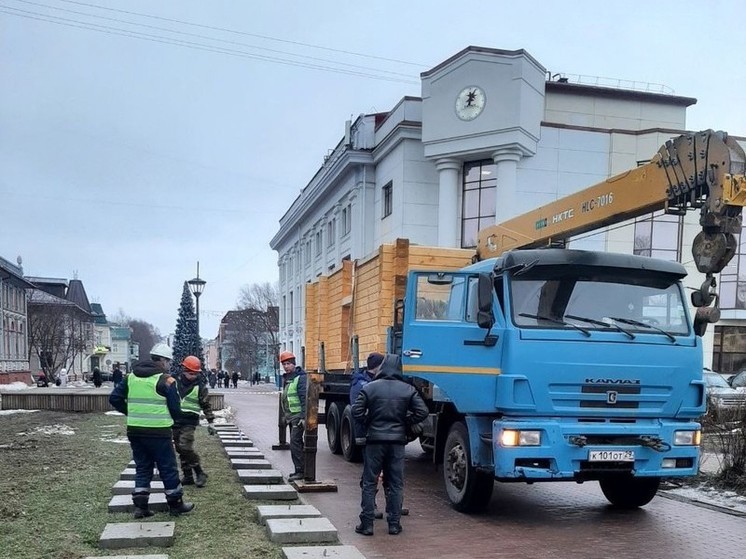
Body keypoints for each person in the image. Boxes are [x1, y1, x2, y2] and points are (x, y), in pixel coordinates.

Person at [109, 343, 194, 518]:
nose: (169, 364)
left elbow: (115, 398)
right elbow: (175, 408)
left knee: (142, 467)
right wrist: (179, 420)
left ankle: (140, 507)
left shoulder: (131, 378)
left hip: (135, 431)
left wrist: (130, 411)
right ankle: (175, 504)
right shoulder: (166, 381)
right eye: (168, 361)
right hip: (159, 432)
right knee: (167, 467)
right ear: (162, 360)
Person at [352, 353, 428, 536]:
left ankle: (367, 524)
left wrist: (368, 421)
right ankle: (394, 524)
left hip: (374, 442)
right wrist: (406, 421)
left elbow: (356, 411)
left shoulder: (370, 388)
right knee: (396, 483)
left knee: (370, 482)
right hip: (397, 443)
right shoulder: (407, 389)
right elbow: (423, 412)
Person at [172, 355, 216, 488]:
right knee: (180, 449)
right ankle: (188, 476)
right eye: (190, 373)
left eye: (195, 374)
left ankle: (200, 472)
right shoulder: (174, 382)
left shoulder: (200, 387)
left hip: (189, 422)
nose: (193, 376)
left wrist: (211, 421)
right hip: (175, 420)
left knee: (186, 446)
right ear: (184, 370)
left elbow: (206, 405)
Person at [279, 351, 307, 481]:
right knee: (296, 443)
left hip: (297, 417)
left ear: (294, 364)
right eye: (284, 364)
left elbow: (304, 398)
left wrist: (302, 417)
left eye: (288, 364)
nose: (286, 366)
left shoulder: (299, 378)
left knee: (295, 444)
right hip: (291, 417)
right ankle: (299, 469)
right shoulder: (288, 378)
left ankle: (300, 471)